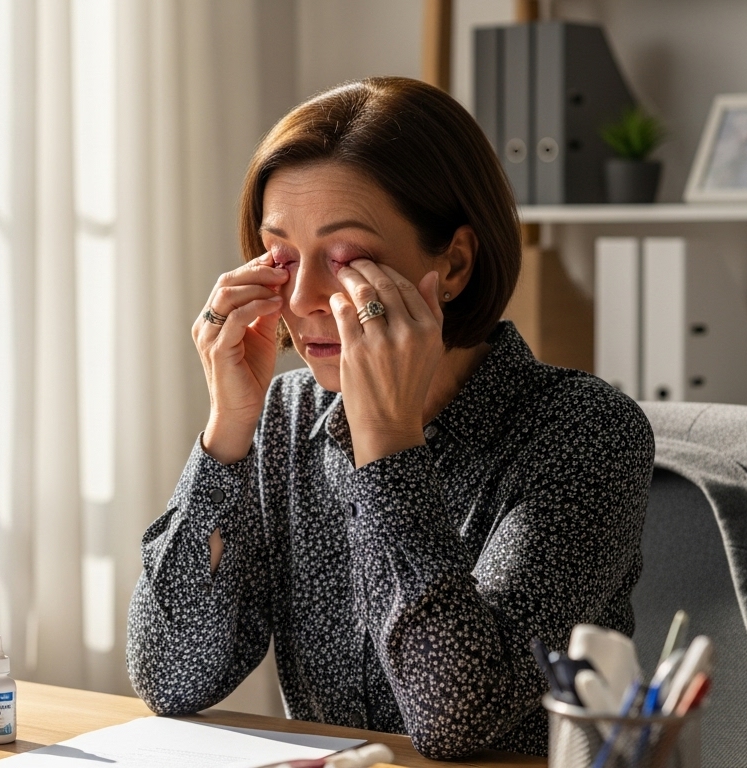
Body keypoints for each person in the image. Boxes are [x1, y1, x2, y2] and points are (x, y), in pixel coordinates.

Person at [125, 77, 653, 759]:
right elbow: (170, 678)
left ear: (454, 264)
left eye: (346, 258)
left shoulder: (585, 433)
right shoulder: (285, 417)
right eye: (282, 257)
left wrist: (387, 443)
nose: (305, 297)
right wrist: (228, 430)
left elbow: (455, 721)